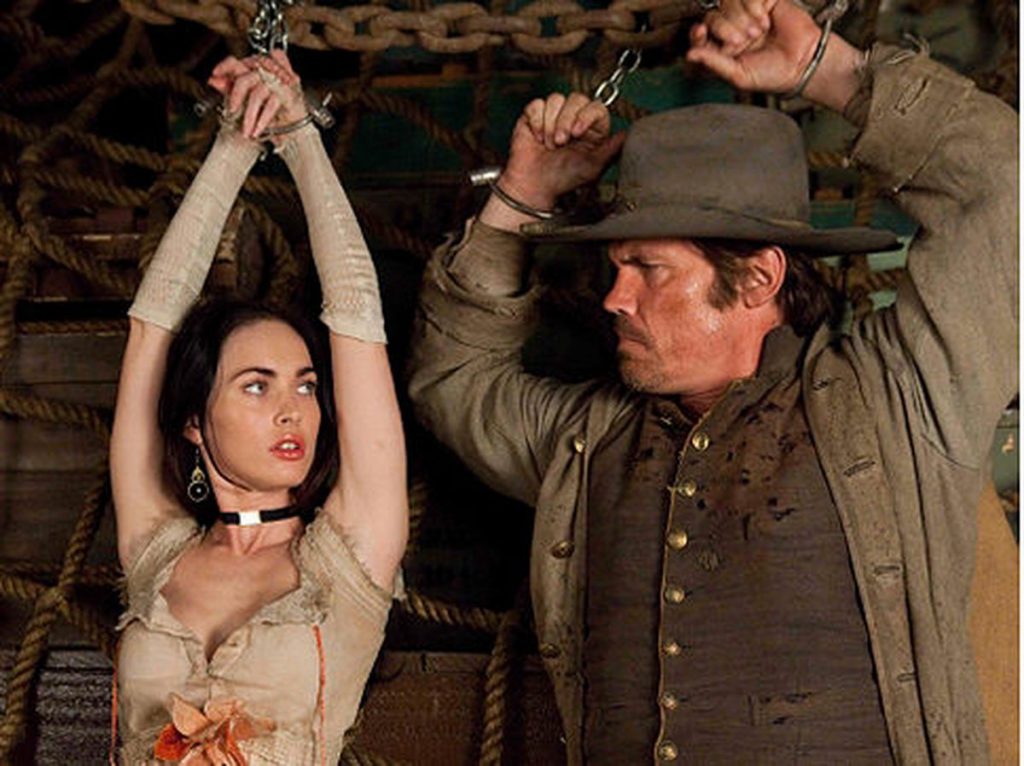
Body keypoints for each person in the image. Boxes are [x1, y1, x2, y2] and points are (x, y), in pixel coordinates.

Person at [407, 0, 1017, 761]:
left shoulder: (900, 397)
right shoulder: (589, 441)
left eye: (648, 269)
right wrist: (520, 197)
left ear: (759, 279)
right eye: (616, 269)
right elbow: (454, 377)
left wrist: (828, 70)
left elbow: (1006, 187)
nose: (614, 298)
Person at [110, 51, 407, 765]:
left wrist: (299, 135)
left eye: (305, 386)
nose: (292, 410)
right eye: (256, 385)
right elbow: (151, 328)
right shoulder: (157, 551)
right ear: (193, 420)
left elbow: (357, 313)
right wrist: (234, 142)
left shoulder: (349, 555)